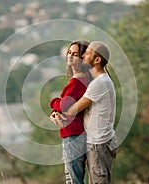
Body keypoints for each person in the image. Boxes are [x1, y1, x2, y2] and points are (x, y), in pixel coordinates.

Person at [53, 41, 118, 184]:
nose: (83, 55)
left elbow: (70, 109)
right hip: (95, 142)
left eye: (87, 53)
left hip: (99, 143)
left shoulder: (99, 83)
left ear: (97, 59)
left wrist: (54, 104)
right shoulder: (97, 81)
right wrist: (57, 113)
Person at [49, 40, 90, 184]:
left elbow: (65, 104)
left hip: (73, 136)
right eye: (69, 53)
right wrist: (56, 111)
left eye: (76, 54)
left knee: (74, 180)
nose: (71, 56)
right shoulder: (77, 79)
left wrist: (53, 102)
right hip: (74, 135)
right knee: (73, 178)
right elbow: (65, 104)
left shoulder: (78, 80)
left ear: (83, 58)